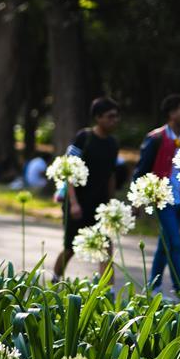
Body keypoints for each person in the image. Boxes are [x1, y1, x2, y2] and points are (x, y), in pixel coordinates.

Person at [133, 94, 180, 296]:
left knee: (165, 243)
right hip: (161, 199)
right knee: (175, 243)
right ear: (171, 113)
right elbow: (141, 169)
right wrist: (136, 201)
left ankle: (153, 286)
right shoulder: (156, 138)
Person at [52, 97, 120, 281]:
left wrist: (111, 204)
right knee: (71, 248)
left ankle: (108, 293)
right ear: (98, 117)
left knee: (106, 249)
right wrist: (73, 203)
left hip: (101, 206)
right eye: (110, 116)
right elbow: (69, 171)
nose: (115, 120)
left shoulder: (113, 143)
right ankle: (55, 278)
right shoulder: (84, 137)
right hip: (78, 204)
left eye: (116, 116)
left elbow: (111, 175)